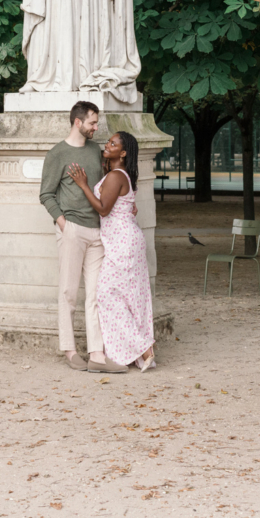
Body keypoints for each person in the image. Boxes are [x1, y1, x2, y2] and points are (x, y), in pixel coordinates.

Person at [40, 101, 127, 373]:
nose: (96, 127)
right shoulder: (57, 154)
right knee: (68, 292)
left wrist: (127, 203)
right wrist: (64, 224)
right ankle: (69, 350)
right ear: (78, 122)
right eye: (92, 122)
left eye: (96, 122)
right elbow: (46, 194)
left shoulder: (95, 152)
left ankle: (97, 356)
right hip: (72, 229)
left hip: (98, 231)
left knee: (96, 295)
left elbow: (106, 185)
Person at [68, 130, 155, 372]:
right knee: (125, 297)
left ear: (123, 153)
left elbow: (104, 209)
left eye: (113, 143)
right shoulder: (118, 174)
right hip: (124, 240)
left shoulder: (117, 176)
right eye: (108, 141)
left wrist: (83, 185)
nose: (107, 144)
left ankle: (144, 347)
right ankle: (137, 350)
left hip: (123, 242)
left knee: (106, 295)